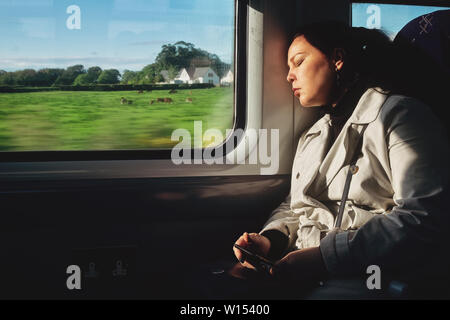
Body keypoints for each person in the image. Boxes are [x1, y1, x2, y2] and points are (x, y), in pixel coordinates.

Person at [233, 20, 450, 299]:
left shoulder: (402, 116)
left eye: (298, 62)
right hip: (306, 264)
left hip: (373, 273)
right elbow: (296, 205)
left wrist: (324, 258)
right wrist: (270, 240)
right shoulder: (313, 134)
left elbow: (424, 218)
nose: (289, 76)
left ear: (337, 59)